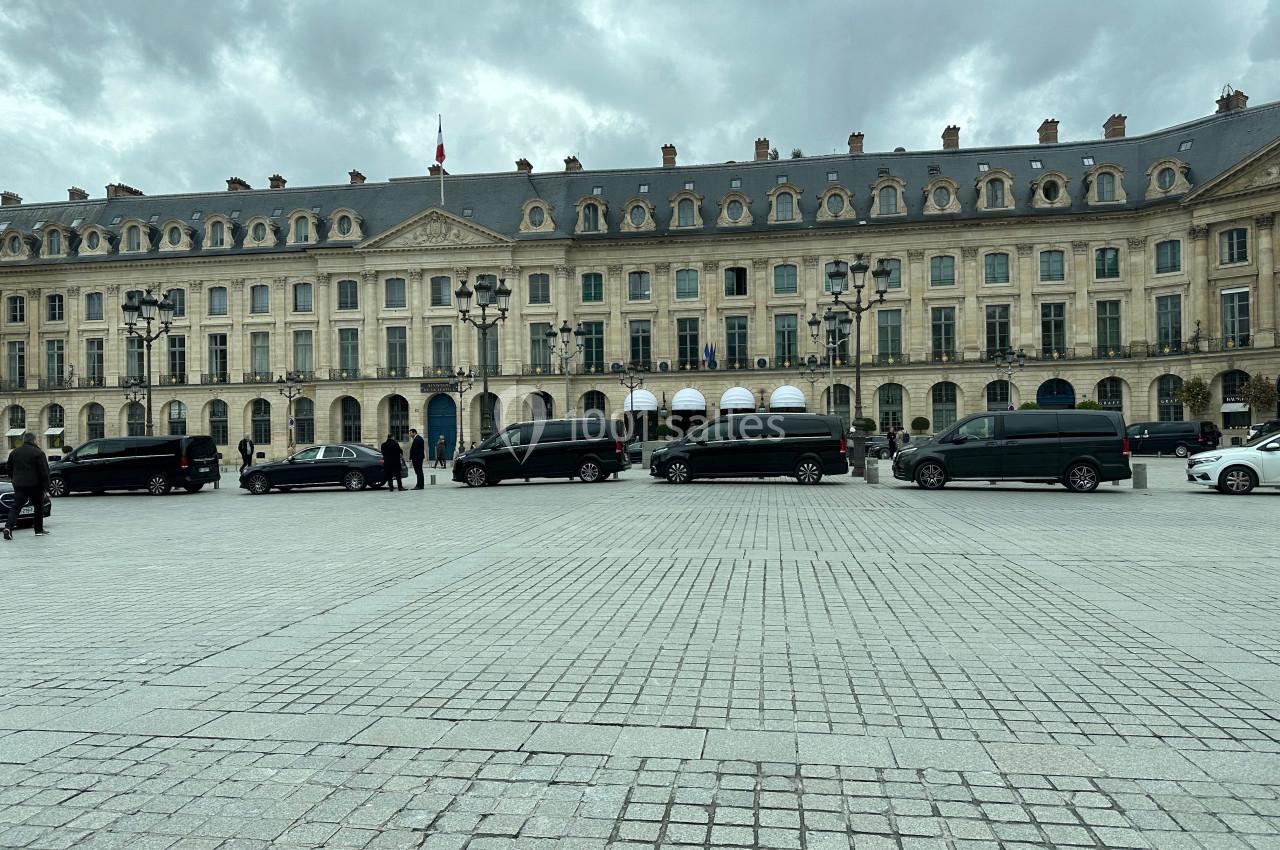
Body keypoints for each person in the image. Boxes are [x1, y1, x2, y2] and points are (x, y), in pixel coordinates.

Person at [4, 432, 49, 540]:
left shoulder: (14, 452)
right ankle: (38, 530)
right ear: (34, 440)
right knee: (38, 506)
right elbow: (44, 471)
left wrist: (14, 478)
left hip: (19, 484)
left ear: (24, 440)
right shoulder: (38, 453)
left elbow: (8, 467)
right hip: (35, 485)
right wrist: (46, 487)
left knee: (16, 506)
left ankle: (8, 527)